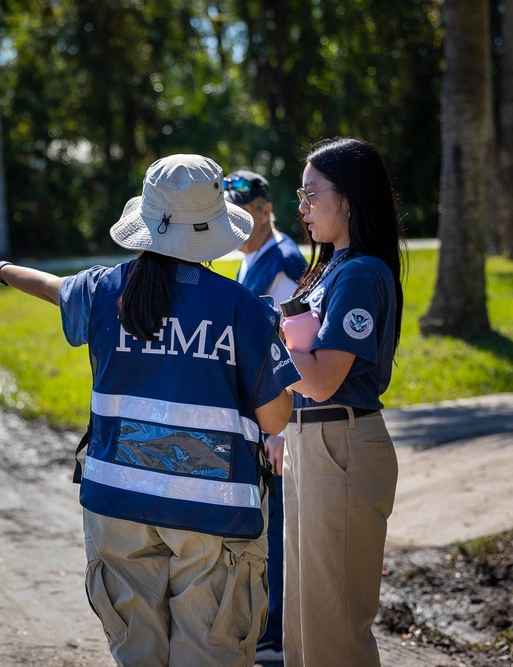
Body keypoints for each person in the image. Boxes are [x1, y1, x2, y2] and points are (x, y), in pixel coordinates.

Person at [0, 154, 301, 666]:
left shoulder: (104, 290)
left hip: (115, 505)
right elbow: (275, 419)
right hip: (213, 512)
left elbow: (52, 289)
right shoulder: (243, 310)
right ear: (214, 226)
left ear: (148, 221)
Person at [280, 138, 406, 667]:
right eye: (300, 196)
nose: (303, 208)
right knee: (303, 620)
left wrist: (260, 337)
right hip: (312, 441)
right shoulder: (334, 266)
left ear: (350, 196)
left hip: (341, 442)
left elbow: (323, 380)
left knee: (334, 631)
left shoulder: (359, 273)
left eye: (312, 194)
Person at [223, 169, 307, 665]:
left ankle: (274, 634)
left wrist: (282, 430)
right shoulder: (252, 256)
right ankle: (268, 628)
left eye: (245, 210)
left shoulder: (283, 263)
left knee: (277, 529)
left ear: (264, 208)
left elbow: (293, 348)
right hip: (259, 418)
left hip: (276, 420)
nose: (237, 220)